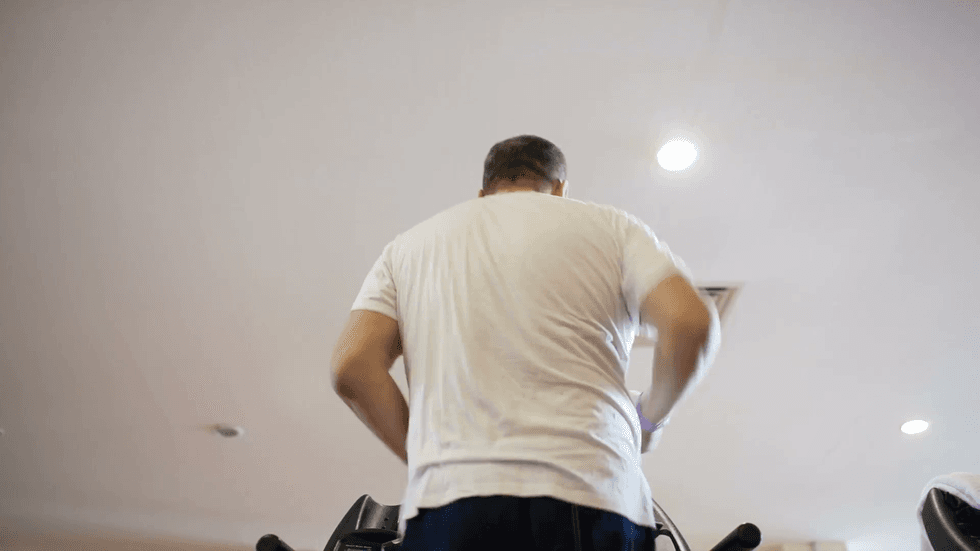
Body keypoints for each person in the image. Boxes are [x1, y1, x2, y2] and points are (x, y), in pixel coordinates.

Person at [330, 135, 722, 551]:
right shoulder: (612, 228)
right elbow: (690, 323)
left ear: (483, 193)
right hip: (591, 493)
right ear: (560, 189)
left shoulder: (407, 248)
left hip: (450, 506)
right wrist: (648, 422)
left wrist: (433, 461)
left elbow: (352, 366)